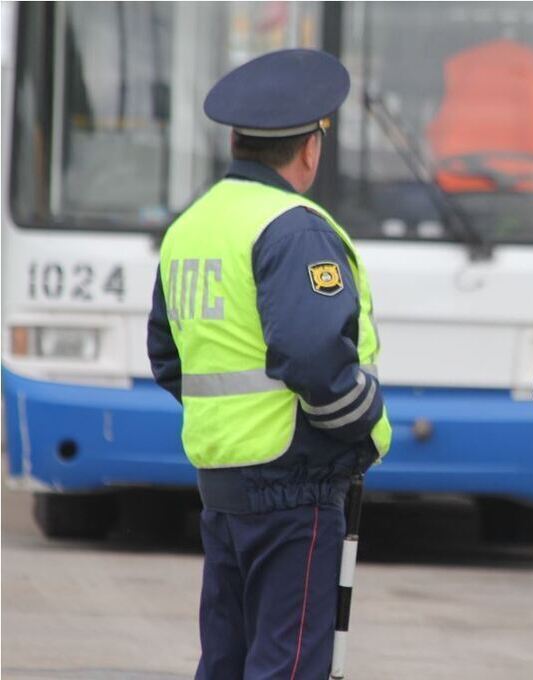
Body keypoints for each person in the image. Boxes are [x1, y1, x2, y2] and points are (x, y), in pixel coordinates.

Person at [147, 49, 391, 679]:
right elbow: (315, 359)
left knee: (226, 659)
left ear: (236, 140)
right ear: (310, 148)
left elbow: (168, 358)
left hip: (222, 480)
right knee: (287, 664)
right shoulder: (295, 229)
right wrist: (364, 426)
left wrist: (233, 422)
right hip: (294, 483)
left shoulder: (191, 227)